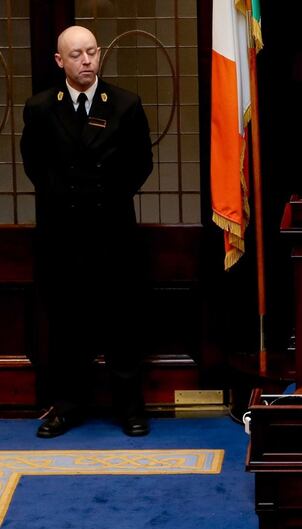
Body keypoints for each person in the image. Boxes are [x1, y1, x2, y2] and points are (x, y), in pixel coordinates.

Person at [22, 25, 153, 438]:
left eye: (92, 53)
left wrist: (108, 200)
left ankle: (130, 409)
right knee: (67, 327)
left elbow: (140, 164)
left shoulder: (126, 104)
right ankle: (67, 407)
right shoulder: (41, 107)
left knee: (122, 327)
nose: (86, 61)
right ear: (60, 61)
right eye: (76, 55)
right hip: (63, 237)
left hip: (113, 233)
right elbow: (34, 166)